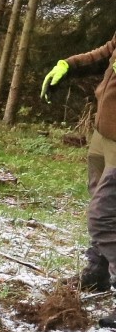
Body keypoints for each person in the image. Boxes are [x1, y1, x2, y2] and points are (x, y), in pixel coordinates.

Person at [41, 24, 116, 299]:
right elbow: (107, 52)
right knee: (99, 196)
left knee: (105, 216)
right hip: (105, 131)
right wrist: (69, 66)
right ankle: (99, 271)